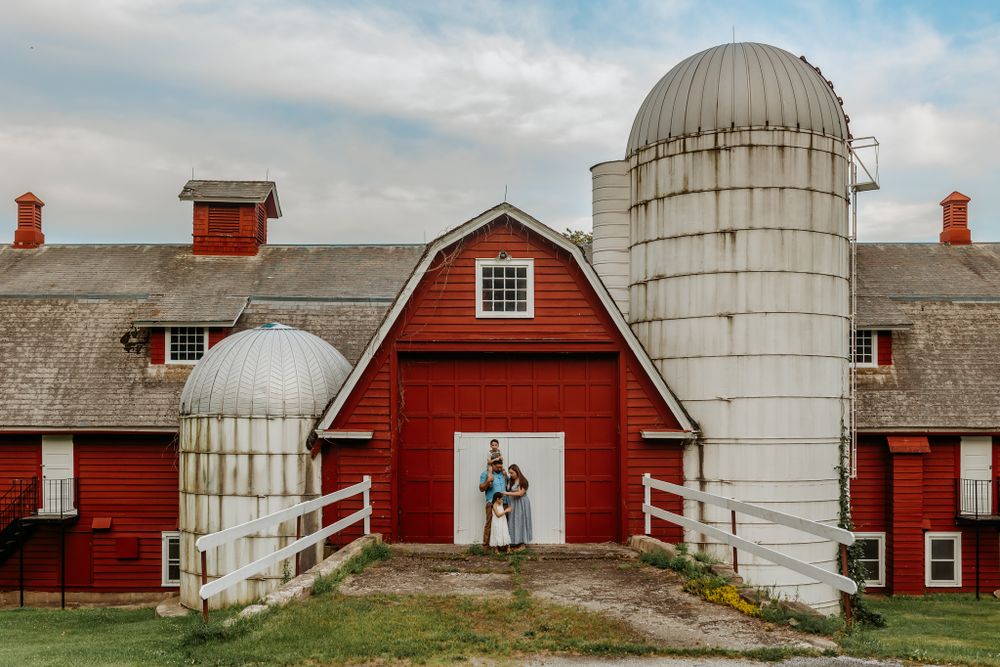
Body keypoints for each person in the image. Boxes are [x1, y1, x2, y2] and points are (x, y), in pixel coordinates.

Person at [478, 457, 507, 547]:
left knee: (503, 524)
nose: (499, 469)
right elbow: (481, 488)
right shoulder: (485, 474)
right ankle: (486, 545)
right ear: (492, 465)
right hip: (491, 503)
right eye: (497, 467)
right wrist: (488, 481)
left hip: (503, 503)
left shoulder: (503, 473)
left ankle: (502, 545)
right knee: (489, 523)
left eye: (500, 467)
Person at [504, 464, 533, 548]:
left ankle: (522, 543)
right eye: (510, 473)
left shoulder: (523, 481)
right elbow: (508, 485)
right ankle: (515, 542)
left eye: (512, 473)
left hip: (521, 503)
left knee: (521, 521)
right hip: (513, 503)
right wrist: (505, 475)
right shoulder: (511, 480)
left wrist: (506, 493)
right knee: (513, 521)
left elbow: (520, 493)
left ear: (517, 472)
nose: (511, 475)